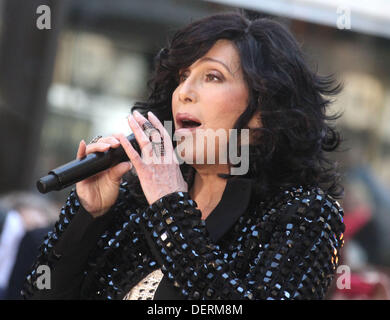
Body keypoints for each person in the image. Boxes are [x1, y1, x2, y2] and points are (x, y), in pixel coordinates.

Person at [22, 11, 345, 300]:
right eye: (182, 77)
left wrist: (170, 206)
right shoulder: (134, 201)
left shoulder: (305, 214)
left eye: (212, 77)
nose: (184, 92)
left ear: (265, 110)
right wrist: (87, 217)